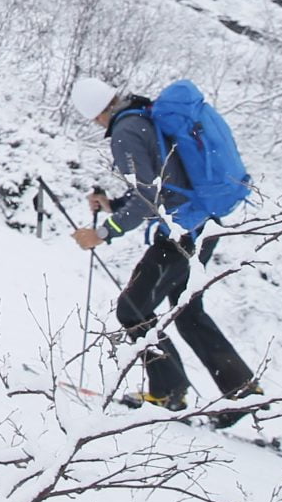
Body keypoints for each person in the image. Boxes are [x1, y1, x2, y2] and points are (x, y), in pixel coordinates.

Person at [66, 76, 261, 415]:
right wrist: (112, 205)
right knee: (187, 311)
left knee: (132, 310)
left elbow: (146, 200)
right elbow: (160, 184)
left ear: (95, 114)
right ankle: (242, 389)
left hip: (181, 230)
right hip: (201, 221)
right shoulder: (142, 115)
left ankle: (169, 391)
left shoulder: (126, 131)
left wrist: (101, 234)